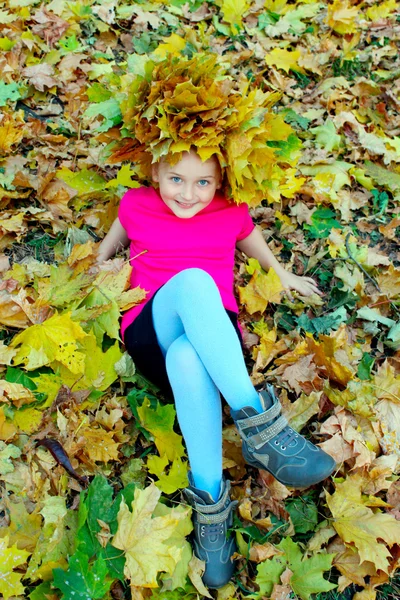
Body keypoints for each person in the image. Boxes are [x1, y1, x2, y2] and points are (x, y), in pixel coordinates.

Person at [96, 147, 336, 589]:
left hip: (212, 342)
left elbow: (253, 243)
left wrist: (283, 275)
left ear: (221, 181)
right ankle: (262, 430)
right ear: (155, 172)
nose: (188, 194)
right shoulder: (135, 204)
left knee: (190, 355)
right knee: (193, 280)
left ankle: (210, 509)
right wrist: (95, 275)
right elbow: (104, 254)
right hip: (153, 325)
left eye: (203, 182)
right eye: (176, 180)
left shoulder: (231, 211)